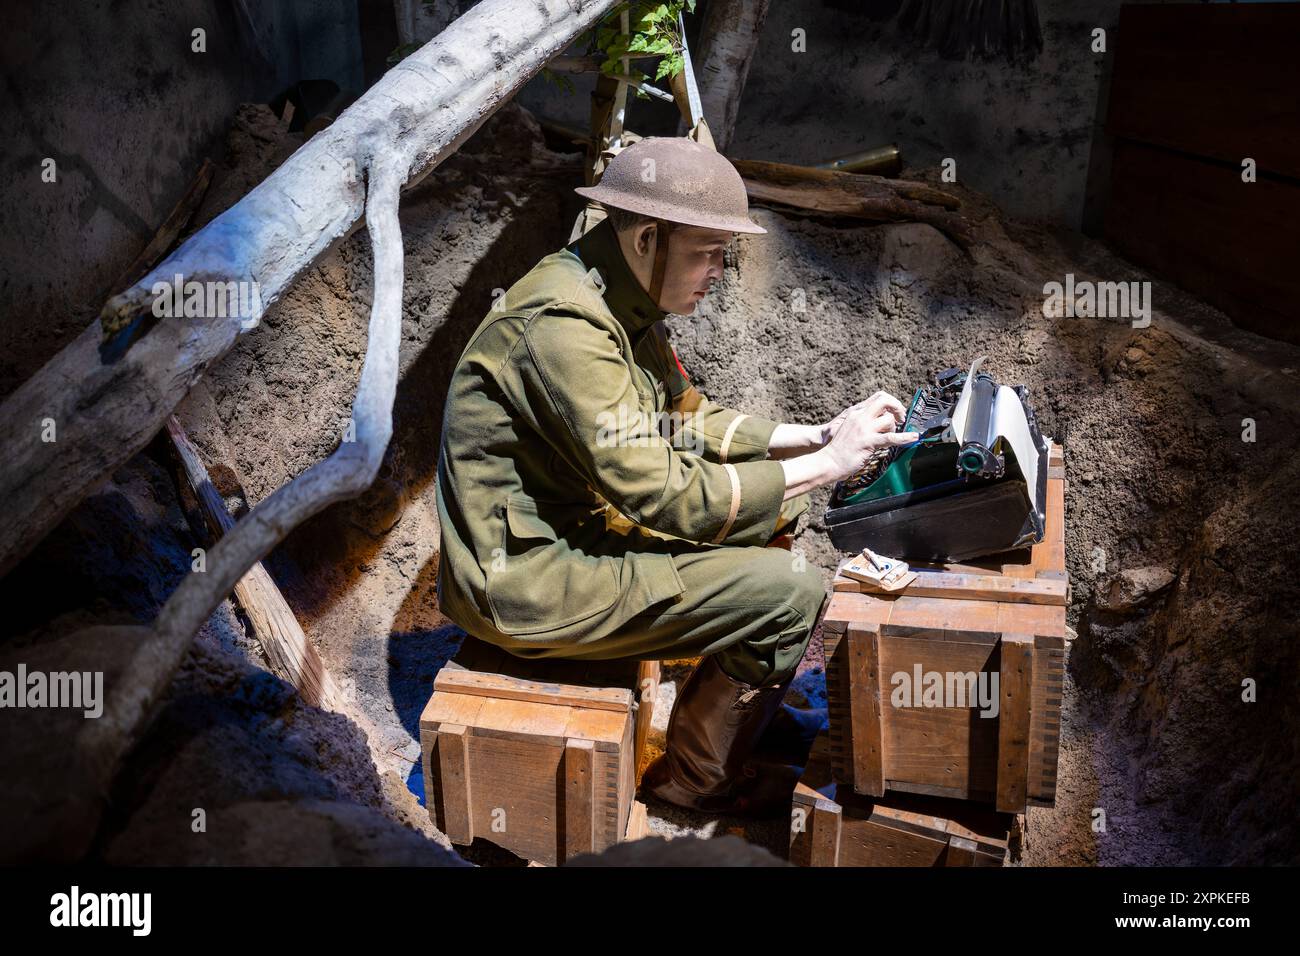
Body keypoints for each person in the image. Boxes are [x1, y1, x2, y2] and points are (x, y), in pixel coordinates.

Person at [434, 136, 918, 816]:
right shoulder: (567, 325)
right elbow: (660, 492)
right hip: (526, 579)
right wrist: (828, 466)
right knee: (792, 593)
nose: (718, 270)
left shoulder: (614, 298)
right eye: (707, 252)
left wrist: (811, 437)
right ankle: (691, 784)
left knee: (774, 513)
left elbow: (680, 416)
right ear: (645, 240)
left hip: (577, 531)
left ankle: (721, 722)